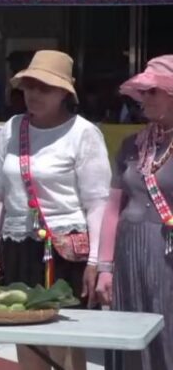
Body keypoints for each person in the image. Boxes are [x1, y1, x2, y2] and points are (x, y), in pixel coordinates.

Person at [0, 51, 111, 370]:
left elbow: (97, 203)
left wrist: (96, 261)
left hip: (66, 254)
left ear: (65, 93)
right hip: (18, 249)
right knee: (27, 338)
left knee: (66, 345)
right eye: (29, 86)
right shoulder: (12, 128)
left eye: (44, 88)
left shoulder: (83, 133)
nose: (33, 94)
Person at [95, 55, 173, 369]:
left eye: (153, 91)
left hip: (166, 253)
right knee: (129, 333)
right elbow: (113, 208)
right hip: (129, 251)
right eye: (142, 92)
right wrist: (105, 267)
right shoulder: (132, 145)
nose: (145, 99)